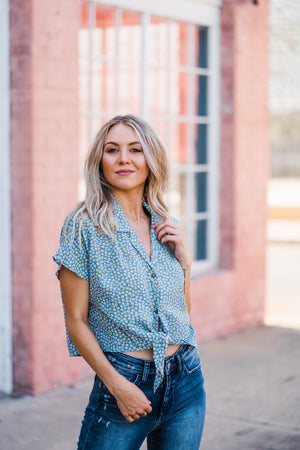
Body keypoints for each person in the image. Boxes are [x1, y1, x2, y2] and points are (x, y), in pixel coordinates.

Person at [53, 115, 206, 449]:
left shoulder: (165, 223)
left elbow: (180, 317)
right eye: (112, 150)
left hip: (185, 379)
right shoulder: (83, 226)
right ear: (100, 161)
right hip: (124, 380)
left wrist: (185, 263)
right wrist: (117, 385)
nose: (124, 158)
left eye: (135, 149)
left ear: (151, 160)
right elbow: (75, 320)